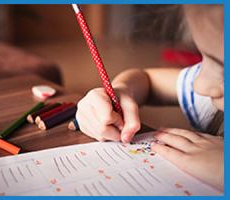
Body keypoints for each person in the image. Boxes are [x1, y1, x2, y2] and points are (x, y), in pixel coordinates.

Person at [75, 5, 224, 192]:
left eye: (222, 67)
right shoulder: (210, 93)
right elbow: (147, 80)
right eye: (203, 58)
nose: (198, 85)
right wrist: (123, 91)